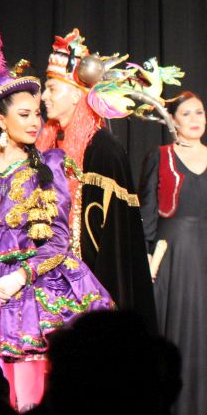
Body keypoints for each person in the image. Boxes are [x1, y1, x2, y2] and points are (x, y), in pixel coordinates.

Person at [0, 13, 112, 409]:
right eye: (25, 115)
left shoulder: (49, 166)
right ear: (0, 119)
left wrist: (20, 275)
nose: (35, 122)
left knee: (31, 400)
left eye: (37, 113)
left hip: (31, 291)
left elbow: (59, 240)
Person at [34, 29, 158, 330]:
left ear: (77, 93)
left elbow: (115, 245)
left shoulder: (103, 150)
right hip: (46, 283)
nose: (44, 96)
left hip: (87, 293)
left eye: (52, 88)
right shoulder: (44, 146)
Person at [139, 91, 207, 415]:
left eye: (200, 112)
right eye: (187, 113)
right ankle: (172, 413)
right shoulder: (160, 156)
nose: (195, 119)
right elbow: (147, 211)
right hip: (173, 254)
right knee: (175, 330)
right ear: (173, 121)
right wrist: (147, 255)